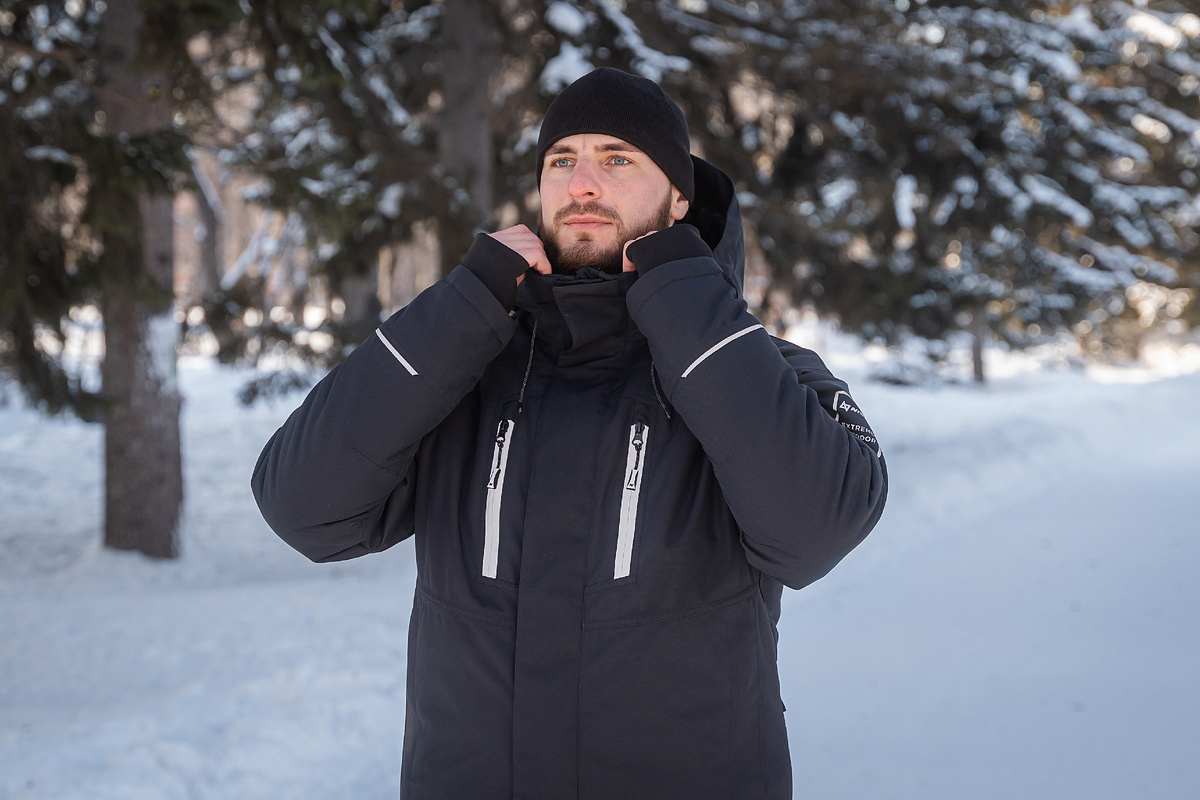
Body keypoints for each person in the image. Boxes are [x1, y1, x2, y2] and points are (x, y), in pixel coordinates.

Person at [252, 67, 887, 800]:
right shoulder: (468, 365)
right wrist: (466, 300)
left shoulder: (763, 370)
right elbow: (304, 509)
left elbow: (813, 530)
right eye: (562, 160)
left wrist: (686, 291)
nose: (582, 183)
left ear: (678, 200)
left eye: (618, 158)